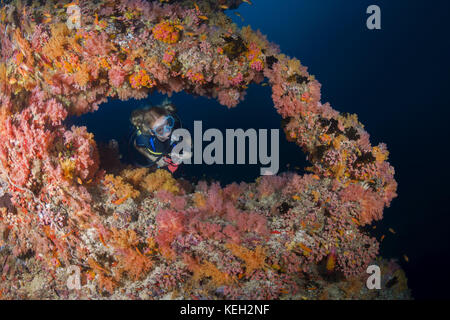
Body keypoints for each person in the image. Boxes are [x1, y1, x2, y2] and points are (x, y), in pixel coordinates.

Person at [129, 100, 190, 173]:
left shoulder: (176, 125)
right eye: (159, 129)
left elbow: (187, 137)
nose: (167, 131)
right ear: (152, 132)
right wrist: (154, 159)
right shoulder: (145, 138)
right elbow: (137, 145)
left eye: (168, 123)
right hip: (157, 158)